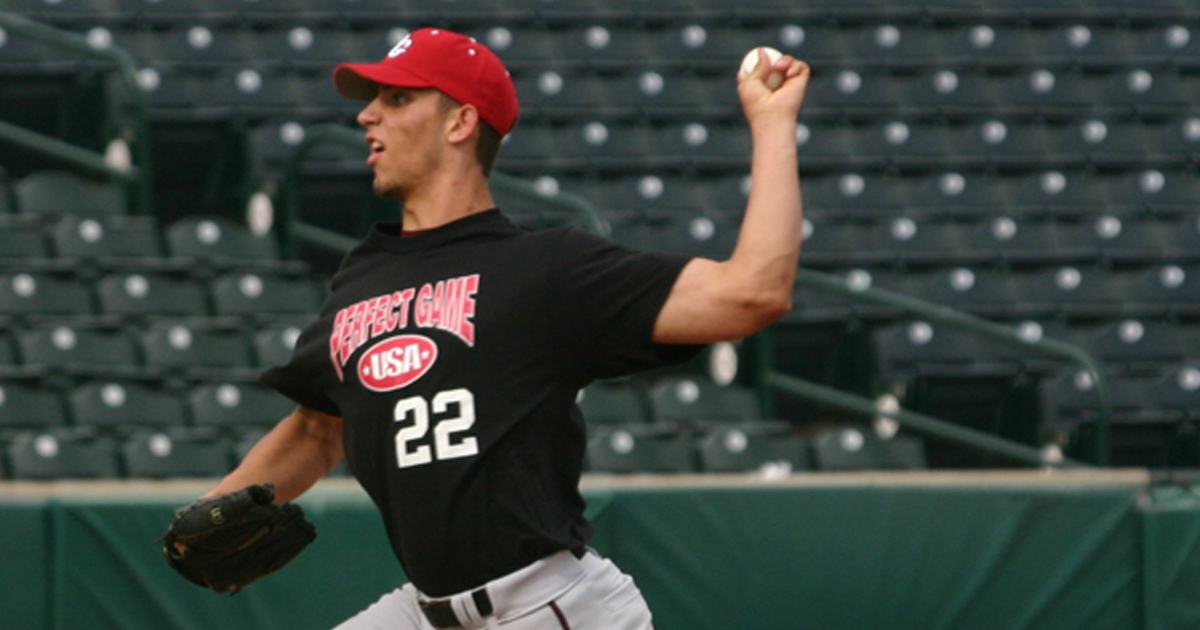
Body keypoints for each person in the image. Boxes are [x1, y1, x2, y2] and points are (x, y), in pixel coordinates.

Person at [198, 26, 808, 630]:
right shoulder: (361, 278)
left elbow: (752, 293)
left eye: (398, 99)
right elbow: (316, 429)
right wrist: (210, 512)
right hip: (425, 611)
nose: (367, 116)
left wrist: (773, 123)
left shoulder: (545, 270)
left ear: (461, 123)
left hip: (545, 608)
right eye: (374, 99)